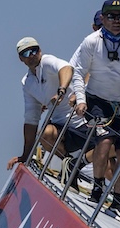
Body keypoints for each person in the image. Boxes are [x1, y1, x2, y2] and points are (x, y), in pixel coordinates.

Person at [69, 0, 120, 213]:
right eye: (112, 16)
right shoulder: (91, 41)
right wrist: (80, 99)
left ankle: (117, 199)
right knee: (105, 141)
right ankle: (97, 187)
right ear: (103, 18)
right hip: (97, 99)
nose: (117, 21)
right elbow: (77, 72)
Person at [7, 37, 78, 171]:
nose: (32, 55)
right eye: (26, 53)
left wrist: (62, 89)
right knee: (43, 134)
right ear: (21, 59)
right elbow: (31, 119)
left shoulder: (47, 61)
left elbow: (66, 67)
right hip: (61, 128)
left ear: (40, 50)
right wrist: (25, 155)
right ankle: (70, 164)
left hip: (82, 120)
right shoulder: (27, 83)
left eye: (34, 50)